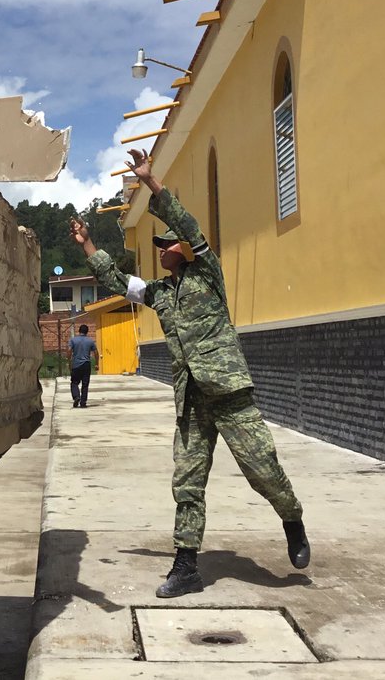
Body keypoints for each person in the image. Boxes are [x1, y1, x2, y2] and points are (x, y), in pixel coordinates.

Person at [68, 148, 309, 597]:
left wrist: (152, 183)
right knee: (187, 482)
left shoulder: (208, 273)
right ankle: (186, 566)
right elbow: (122, 283)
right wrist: (86, 245)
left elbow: (189, 226)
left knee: (263, 470)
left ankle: (291, 518)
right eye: (158, 246)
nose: (161, 250)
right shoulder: (160, 293)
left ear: (183, 249)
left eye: (166, 244)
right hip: (192, 401)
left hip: (230, 393)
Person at [67, 323, 98, 408]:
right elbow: (96, 352)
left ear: (79, 331)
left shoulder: (73, 340)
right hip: (86, 365)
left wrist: (69, 361)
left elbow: (69, 350)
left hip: (76, 364)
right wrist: (96, 364)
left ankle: (76, 397)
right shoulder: (90, 341)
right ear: (87, 332)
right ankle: (83, 403)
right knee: (85, 384)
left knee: (74, 382)